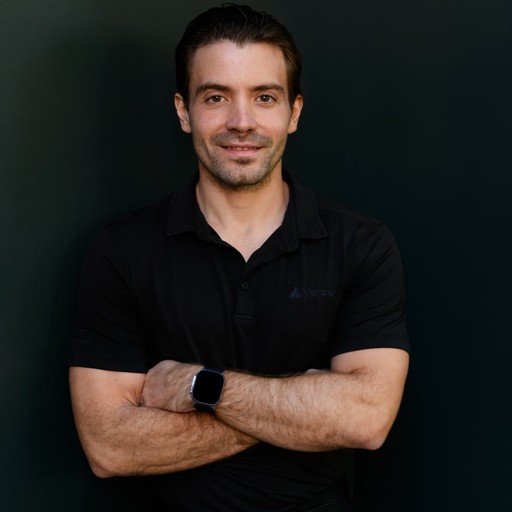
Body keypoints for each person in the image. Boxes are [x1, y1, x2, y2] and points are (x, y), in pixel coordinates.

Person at [69, 4, 410, 511]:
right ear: (184, 111)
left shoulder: (361, 244)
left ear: (293, 112)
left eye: (264, 97)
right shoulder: (122, 250)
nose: (241, 122)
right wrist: (304, 404)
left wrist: (200, 387)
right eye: (216, 97)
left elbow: (366, 420)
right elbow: (109, 446)